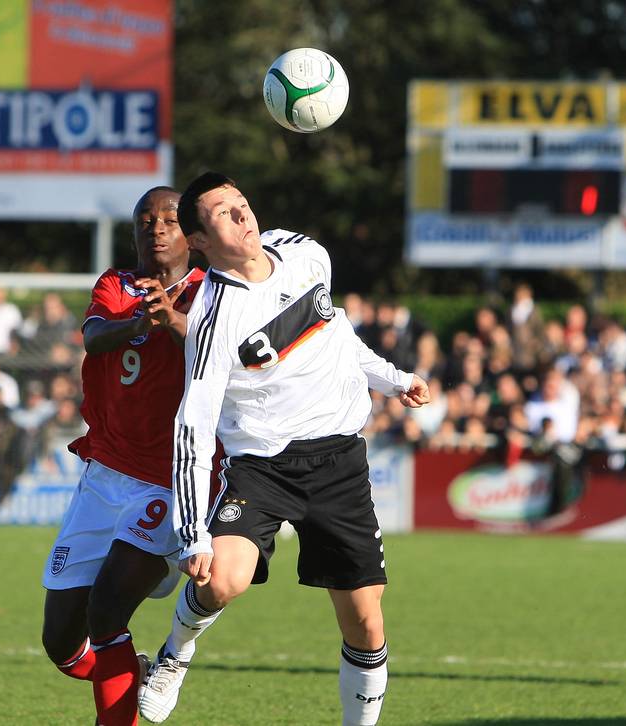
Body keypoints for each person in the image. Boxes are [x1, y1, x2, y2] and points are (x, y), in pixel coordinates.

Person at [138, 172, 430, 726]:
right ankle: (175, 653)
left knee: (366, 625)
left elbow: (334, 330)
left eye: (241, 204)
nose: (241, 215)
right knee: (221, 578)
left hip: (341, 461)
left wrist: (391, 377)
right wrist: (192, 531)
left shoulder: (305, 253)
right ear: (198, 242)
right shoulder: (212, 319)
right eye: (223, 213)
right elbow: (193, 424)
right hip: (263, 469)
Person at [39, 186, 206, 726]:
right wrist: (141, 322)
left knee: (108, 609)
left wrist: (175, 323)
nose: (156, 228)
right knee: (61, 641)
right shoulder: (117, 284)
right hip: (104, 474)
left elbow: (224, 356)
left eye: (169, 220)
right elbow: (94, 336)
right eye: (145, 220)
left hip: (168, 480)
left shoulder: (214, 292)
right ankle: (124, 668)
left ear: (193, 234)